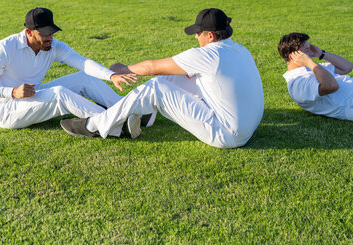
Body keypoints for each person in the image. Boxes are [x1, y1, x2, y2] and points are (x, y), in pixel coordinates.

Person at [60, 8, 265, 148]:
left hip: (227, 135)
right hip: (247, 129)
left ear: (210, 36)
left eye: (198, 33)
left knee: (157, 85)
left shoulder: (208, 55)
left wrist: (124, 68)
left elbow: (151, 68)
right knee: (172, 76)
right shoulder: (240, 49)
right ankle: (145, 115)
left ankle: (96, 126)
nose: (195, 37)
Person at [0, 7, 137, 130]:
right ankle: (114, 123)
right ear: (29, 32)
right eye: (44, 34)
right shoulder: (4, 48)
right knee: (59, 93)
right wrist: (12, 92)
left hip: (34, 96)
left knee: (84, 78)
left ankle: (132, 111)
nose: (49, 38)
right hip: (8, 110)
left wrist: (111, 76)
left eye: (52, 32)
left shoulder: (53, 46)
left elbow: (83, 63)